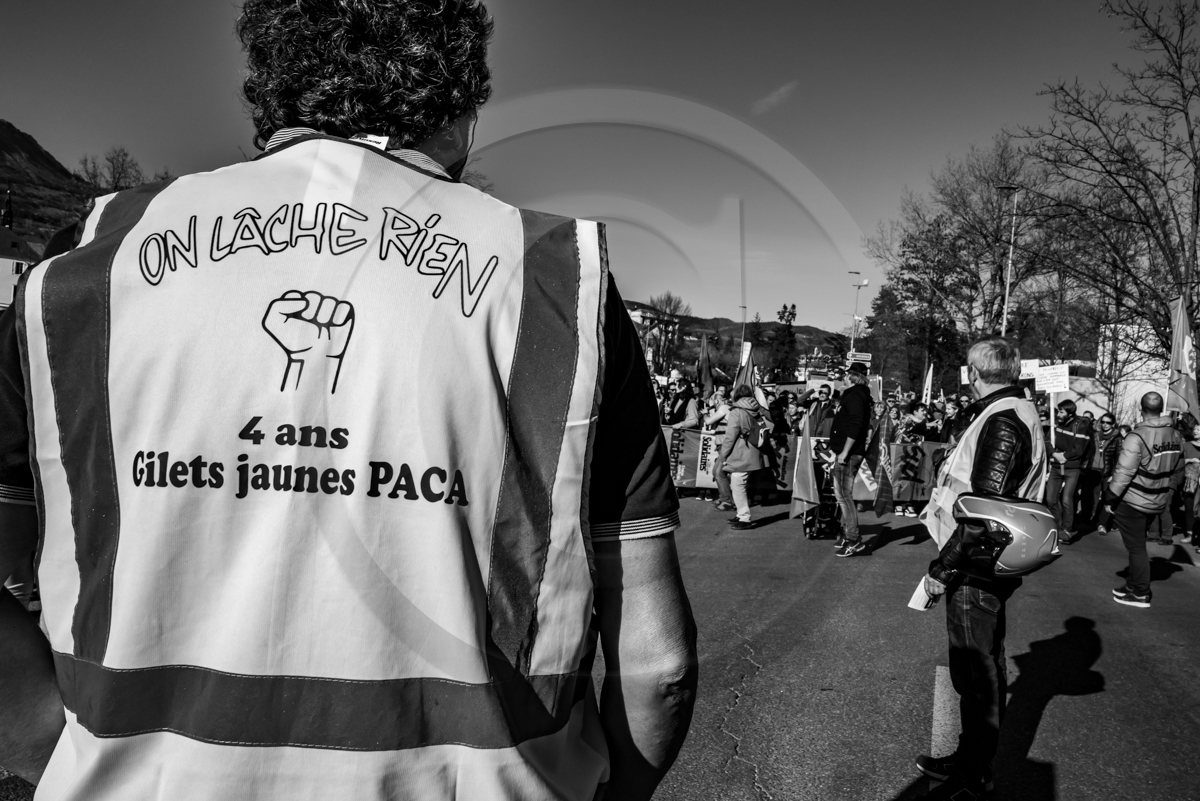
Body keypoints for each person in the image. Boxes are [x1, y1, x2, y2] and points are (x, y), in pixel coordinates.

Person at [0, 3, 699, 799]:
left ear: (269, 84)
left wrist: (55, 754)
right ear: (463, 108)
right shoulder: (554, 282)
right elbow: (658, 666)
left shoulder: (82, 268)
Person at [914, 337, 1047, 801]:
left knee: (976, 674)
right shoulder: (1008, 411)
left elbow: (985, 513)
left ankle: (972, 775)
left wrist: (942, 569)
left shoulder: (1004, 420)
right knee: (978, 667)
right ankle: (970, 758)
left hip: (976, 564)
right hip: (980, 560)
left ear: (974, 372)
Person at [1105, 392, 1183, 608]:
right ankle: (1132, 584)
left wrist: (1110, 497)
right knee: (1137, 544)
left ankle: (1140, 592)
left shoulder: (1136, 436)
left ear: (1141, 409)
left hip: (1134, 499)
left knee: (1136, 547)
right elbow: (1179, 468)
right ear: (1160, 410)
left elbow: (1123, 472)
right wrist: (1167, 490)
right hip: (1157, 498)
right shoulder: (1175, 435)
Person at [830, 363, 874, 557]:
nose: (843, 379)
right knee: (842, 496)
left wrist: (845, 452)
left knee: (845, 496)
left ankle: (854, 540)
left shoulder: (856, 395)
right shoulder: (855, 394)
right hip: (844, 451)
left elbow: (855, 425)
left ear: (853, 377)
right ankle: (849, 535)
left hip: (849, 453)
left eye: (846, 375)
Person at [1046, 399, 1094, 545]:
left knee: (1066, 499)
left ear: (1070, 413)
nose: (1058, 414)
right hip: (1055, 467)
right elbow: (1047, 441)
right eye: (1058, 411)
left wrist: (1064, 456)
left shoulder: (1080, 426)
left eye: (1061, 411)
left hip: (1072, 468)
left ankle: (1067, 530)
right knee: (1050, 499)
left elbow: (1079, 449)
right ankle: (1057, 526)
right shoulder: (1056, 423)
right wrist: (1054, 454)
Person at [720, 384, 766, 530]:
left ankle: (744, 517)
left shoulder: (737, 411)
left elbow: (730, 437)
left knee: (737, 484)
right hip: (753, 451)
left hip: (740, 452)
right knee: (739, 484)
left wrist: (723, 455)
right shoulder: (755, 409)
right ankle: (741, 514)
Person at [1084, 412, 1122, 535]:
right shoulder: (1094, 434)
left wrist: (1114, 474)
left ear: (1113, 424)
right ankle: (1088, 520)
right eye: (1103, 422)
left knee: (1106, 498)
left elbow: (1119, 457)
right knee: (1090, 497)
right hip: (1092, 469)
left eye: (1108, 423)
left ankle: (1102, 524)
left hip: (1107, 472)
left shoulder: (1117, 438)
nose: (1105, 425)